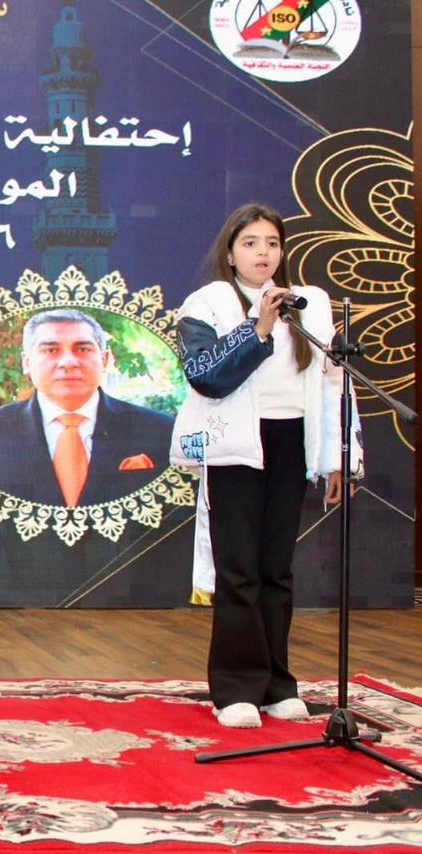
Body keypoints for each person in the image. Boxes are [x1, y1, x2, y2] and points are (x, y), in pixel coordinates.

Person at [171, 202, 362, 729]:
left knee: (276, 569)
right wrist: (257, 328)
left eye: (272, 243)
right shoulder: (208, 303)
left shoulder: (309, 305)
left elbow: (332, 384)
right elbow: (205, 376)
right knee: (239, 571)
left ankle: (278, 683)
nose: (264, 253)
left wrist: (338, 459)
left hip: (290, 442)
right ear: (231, 253)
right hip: (235, 446)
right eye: (251, 243)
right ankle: (235, 688)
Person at [0, 308, 174, 507]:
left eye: (83, 349)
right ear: (27, 362)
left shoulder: (161, 431)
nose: (68, 362)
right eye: (51, 350)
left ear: (105, 360)